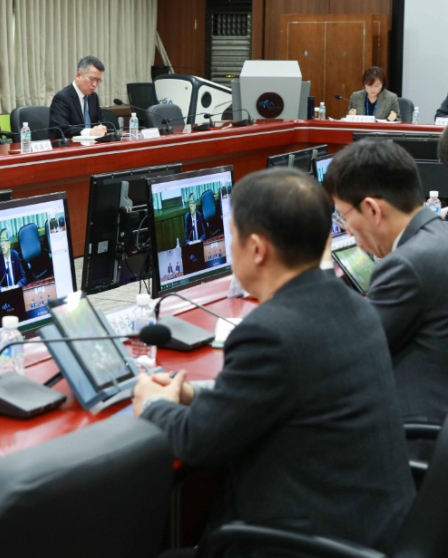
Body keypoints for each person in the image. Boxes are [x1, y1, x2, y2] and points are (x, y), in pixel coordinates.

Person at [132, 167, 414, 553]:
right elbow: (288, 388)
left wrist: (155, 406)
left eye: (232, 236)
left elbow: (197, 442)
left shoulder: (268, 332)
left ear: (258, 249)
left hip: (307, 541)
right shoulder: (350, 303)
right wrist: (196, 394)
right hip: (373, 529)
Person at [323, 139, 448, 434]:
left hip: (414, 433)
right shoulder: (438, 235)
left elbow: (347, 359)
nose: (348, 231)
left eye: (344, 217)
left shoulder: (405, 265)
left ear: (372, 210)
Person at [49, 56, 108, 137]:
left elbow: (101, 122)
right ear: (78, 75)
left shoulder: (93, 97)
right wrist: (89, 132)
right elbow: (61, 129)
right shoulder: (62, 98)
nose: (95, 84)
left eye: (98, 80)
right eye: (92, 79)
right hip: (69, 147)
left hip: (92, 146)